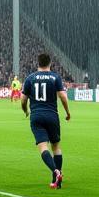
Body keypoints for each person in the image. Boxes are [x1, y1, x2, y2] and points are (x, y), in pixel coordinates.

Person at [22, 53, 71, 189]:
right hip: (52, 116)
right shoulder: (55, 77)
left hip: (36, 116)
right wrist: (67, 112)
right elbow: (62, 96)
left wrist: (25, 110)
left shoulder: (30, 78)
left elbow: (23, 99)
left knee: (43, 147)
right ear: (50, 63)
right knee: (56, 147)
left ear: (38, 63)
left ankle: (55, 172)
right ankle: (58, 179)